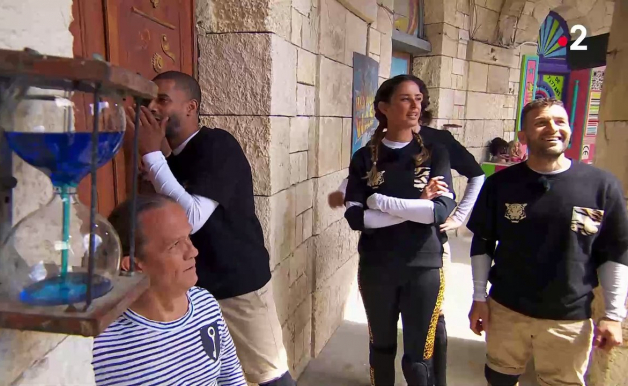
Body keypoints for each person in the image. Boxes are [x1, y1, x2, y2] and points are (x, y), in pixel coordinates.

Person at [127, 71, 295, 386]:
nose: (151, 107)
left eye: (162, 99)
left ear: (191, 107)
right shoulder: (172, 162)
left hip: (237, 287)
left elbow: (191, 218)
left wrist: (151, 155)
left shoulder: (218, 145)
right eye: (147, 100)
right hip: (197, 291)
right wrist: (155, 168)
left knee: (270, 377)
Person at [329, 77, 485, 386]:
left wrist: (381, 202)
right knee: (381, 348)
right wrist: (415, 205)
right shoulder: (365, 158)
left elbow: (438, 211)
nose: (415, 106)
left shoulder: (435, 152)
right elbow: (357, 218)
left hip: (423, 266)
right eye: (405, 99)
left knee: (418, 358)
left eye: (418, 98)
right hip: (377, 267)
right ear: (383, 108)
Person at [467, 98, 628, 386]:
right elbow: (483, 242)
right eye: (541, 122)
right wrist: (479, 297)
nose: (552, 128)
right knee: (499, 378)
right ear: (524, 136)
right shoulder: (502, 185)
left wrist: (613, 315)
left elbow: (614, 254)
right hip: (506, 312)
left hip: (569, 320)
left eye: (560, 121)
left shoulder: (601, 186)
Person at [93, 195, 246, 386]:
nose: (193, 251)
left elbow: (232, 380)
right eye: (174, 245)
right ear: (133, 265)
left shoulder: (205, 305)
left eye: (188, 237)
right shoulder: (101, 345)